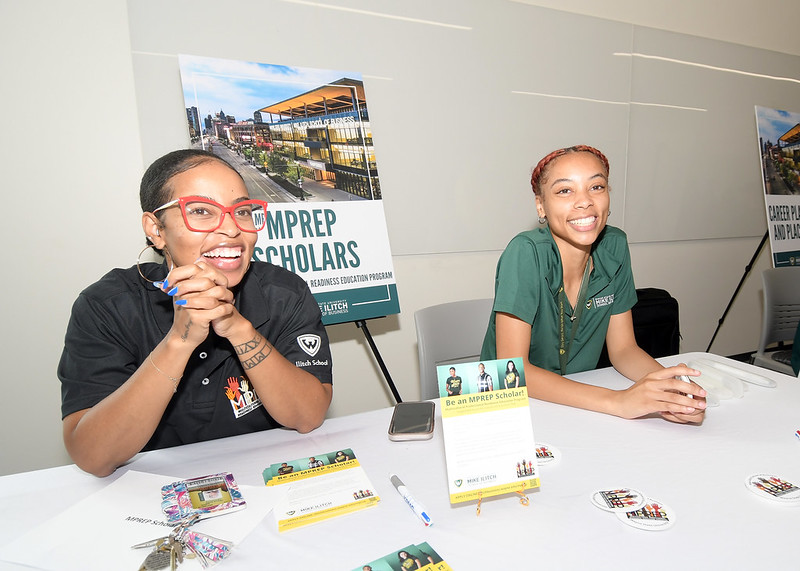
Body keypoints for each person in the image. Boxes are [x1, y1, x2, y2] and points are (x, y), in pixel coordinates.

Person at [59, 149, 333, 477]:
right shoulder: (108, 306)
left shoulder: (284, 292)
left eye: (242, 211)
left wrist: (237, 328)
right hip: (151, 493)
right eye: (202, 211)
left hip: (265, 478)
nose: (232, 229)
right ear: (156, 229)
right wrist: (179, 341)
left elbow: (307, 416)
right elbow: (93, 456)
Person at [481, 145, 705, 423]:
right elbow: (512, 371)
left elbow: (624, 350)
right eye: (565, 190)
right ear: (541, 205)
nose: (584, 201)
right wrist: (620, 401)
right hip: (508, 407)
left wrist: (669, 393)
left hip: (576, 402)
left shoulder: (615, 246)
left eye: (596, 187)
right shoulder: (525, 253)